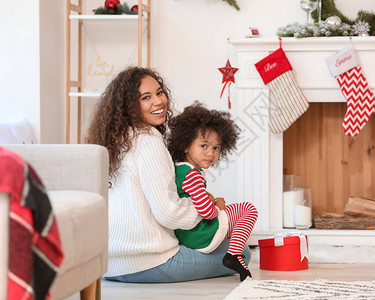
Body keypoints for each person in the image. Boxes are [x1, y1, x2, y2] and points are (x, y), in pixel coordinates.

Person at [85, 66, 252, 283]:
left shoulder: (116, 141)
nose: (158, 101)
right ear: (129, 106)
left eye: (160, 92)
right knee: (243, 252)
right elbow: (169, 213)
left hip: (111, 265)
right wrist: (211, 210)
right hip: (151, 263)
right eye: (146, 97)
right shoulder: (149, 141)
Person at [167, 102, 258, 281]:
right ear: (185, 145)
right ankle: (232, 256)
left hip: (190, 234)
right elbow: (207, 212)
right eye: (204, 146)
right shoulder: (191, 174)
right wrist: (218, 206)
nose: (211, 153)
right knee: (248, 209)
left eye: (216, 148)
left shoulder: (182, 170)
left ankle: (235, 255)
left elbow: (195, 199)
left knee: (237, 224)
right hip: (199, 235)